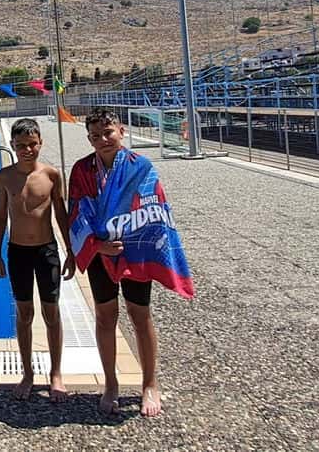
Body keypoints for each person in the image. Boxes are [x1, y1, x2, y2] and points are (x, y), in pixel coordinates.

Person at [68, 107, 194, 417]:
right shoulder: (82, 170)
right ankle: (111, 384)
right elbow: (77, 212)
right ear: (89, 139)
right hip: (100, 253)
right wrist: (98, 245)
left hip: (135, 249)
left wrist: (145, 242)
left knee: (140, 315)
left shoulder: (141, 167)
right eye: (95, 136)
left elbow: (155, 208)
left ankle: (150, 383)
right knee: (105, 317)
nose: (103, 140)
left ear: (121, 131)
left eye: (108, 132)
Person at [0, 118, 75, 402]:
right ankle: (27, 373)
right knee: (24, 313)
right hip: (17, 252)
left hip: (46, 251)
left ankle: (56, 373)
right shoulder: (5, 176)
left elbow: (61, 215)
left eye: (32, 144)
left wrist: (70, 252)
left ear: (41, 142)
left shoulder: (51, 175)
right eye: (21, 146)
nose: (27, 150)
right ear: (13, 146)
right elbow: (0, 216)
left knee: (51, 313)